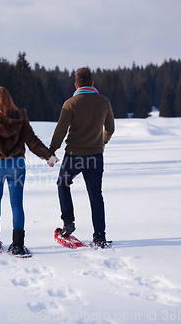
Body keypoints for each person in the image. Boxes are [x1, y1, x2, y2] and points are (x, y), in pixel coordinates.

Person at [0, 86, 52, 258]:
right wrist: (48, 156)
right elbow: (32, 141)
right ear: (9, 99)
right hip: (17, 165)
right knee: (17, 204)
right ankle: (18, 245)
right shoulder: (20, 117)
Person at [48, 67, 115, 248]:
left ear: (76, 84)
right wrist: (102, 142)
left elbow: (60, 131)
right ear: (92, 83)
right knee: (96, 195)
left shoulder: (70, 103)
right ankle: (100, 236)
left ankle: (68, 222)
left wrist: (51, 151)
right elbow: (110, 128)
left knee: (63, 184)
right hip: (96, 156)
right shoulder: (104, 102)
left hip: (74, 156)